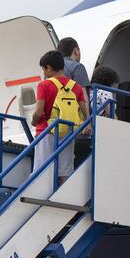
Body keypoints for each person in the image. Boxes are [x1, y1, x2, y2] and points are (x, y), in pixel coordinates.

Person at [32, 50, 89, 183]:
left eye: (44, 69)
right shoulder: (76, 87)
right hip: (68, 132)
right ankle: (65, 198)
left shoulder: (44, 85)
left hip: (46, 130)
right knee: (65, 171)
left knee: (42, 170)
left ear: (49, 68)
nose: (44, 73)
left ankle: (41, 200)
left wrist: (34, 121)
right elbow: (84, 112)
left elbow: (39, 111)